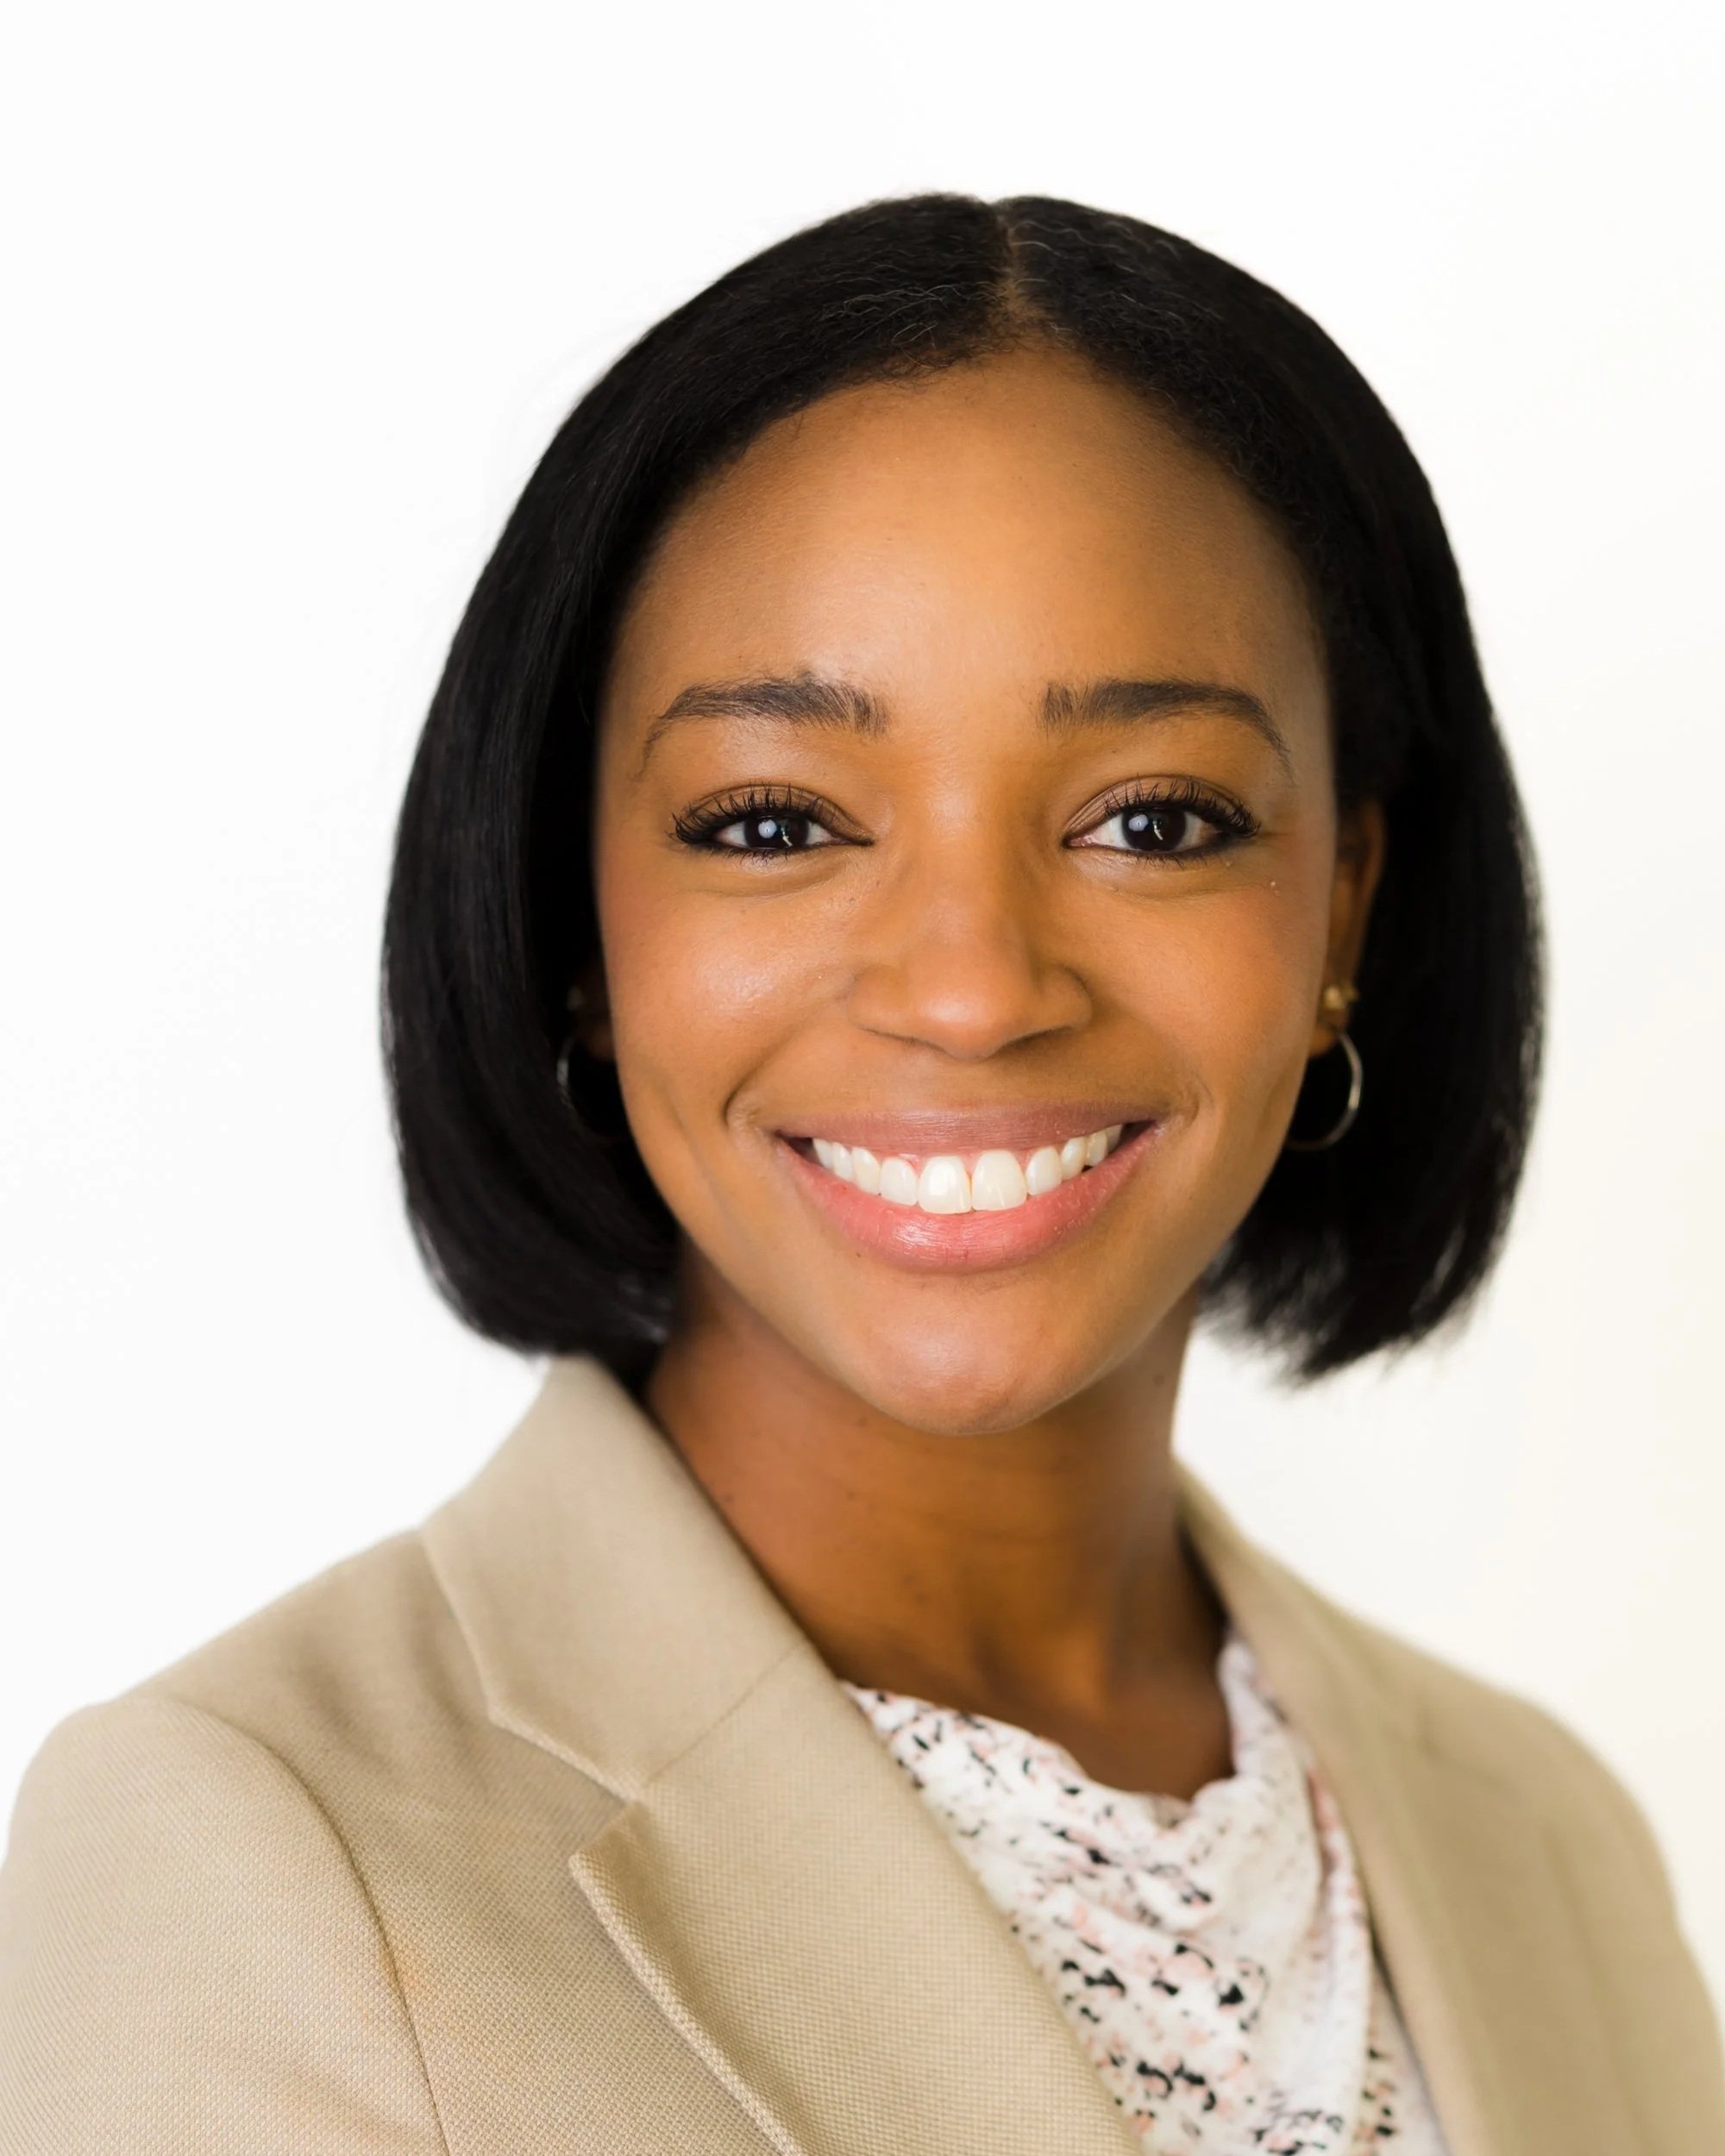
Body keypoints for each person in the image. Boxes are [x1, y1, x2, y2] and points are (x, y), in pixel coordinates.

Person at [1, 191, 1720, 2156]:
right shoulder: (254, 1841)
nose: (974, 987)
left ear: (1342, 900)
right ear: (576, 919)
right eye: (774, 819)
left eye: (1153, 816)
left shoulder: (1549, 1847)